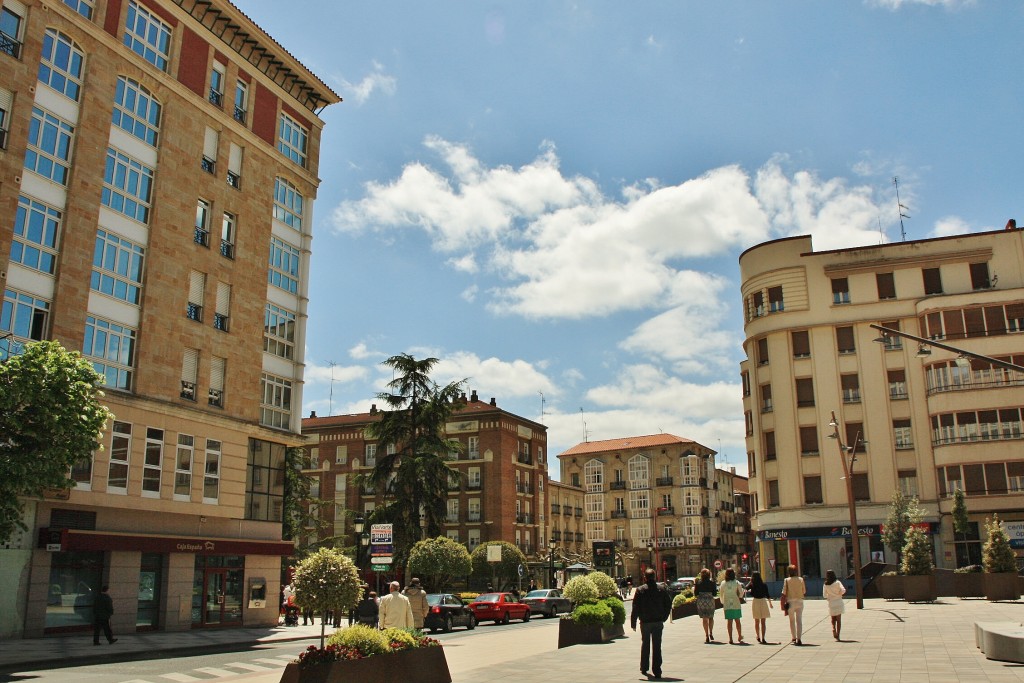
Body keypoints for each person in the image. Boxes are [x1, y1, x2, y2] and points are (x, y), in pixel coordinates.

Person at [630, 568, 672, 679]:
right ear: (655, 577)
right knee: (657, 646)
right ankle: (657, 670)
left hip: (645, 622)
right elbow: (668, 604)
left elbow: (635, 607)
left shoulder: (640, 590)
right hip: (658, 621)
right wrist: (664, 617)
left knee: (645, 644)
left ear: (645, 577)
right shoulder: (661, 589)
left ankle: (644, 667)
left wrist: (633, 622)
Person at [781, 565, 806, 645]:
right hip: (799, 601)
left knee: (792, 621)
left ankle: (793, 637)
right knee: (799, 620)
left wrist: (782, 605)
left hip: (790, 602)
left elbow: (784, 593)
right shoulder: (801, 579)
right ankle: (799, 638)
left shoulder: (787, 580)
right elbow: (804, 591)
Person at [745, 572, 773, 644]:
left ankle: (758, 636)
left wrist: (750, 582)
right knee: (763, 622)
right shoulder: (764, 585)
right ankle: (763, 637)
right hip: (763, 602)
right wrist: (770, 603)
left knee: (756, 621)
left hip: (756, 602)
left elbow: (745, 589)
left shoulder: (752, 585)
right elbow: (767, 594)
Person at [719, 568, 745, 644]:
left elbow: (721, 593)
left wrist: (722, 601)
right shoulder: (737, 583)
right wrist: (739, 596)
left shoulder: (723, 583)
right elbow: (741, 594)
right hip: (736, 603)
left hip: (727, 604)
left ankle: (730, 638)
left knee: (729, 621)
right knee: (737, 621)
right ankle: (739, 636)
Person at [693, 568, 718, 643]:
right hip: (710, 600)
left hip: (701, 601)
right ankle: (711, 632)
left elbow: (696, 593)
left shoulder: (698, 583)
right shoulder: (712, 583)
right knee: (711, 617)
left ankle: (706, 635)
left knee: (704, 618)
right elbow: (714, 594)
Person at [823, 569, 846, 640]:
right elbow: (843, 590)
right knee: (839, 620)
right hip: (839, 602)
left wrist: (829, 596)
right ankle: (838, 635)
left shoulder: (825, 584)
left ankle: (833, 629)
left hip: (831, 603)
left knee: (833, 619)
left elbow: (824, 595)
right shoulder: (837, 582)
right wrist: (839, 594)